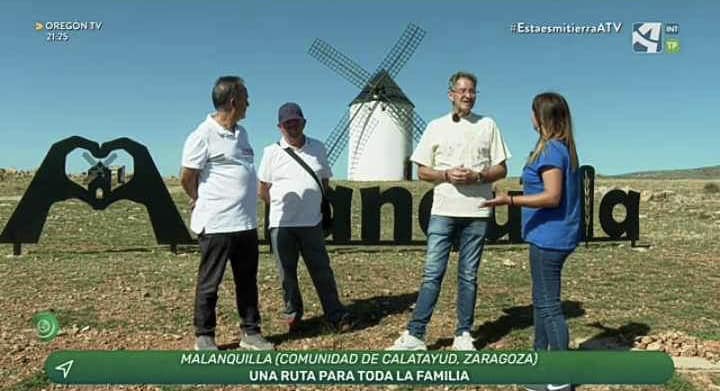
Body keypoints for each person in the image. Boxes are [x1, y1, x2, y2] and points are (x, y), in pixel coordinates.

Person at [388, 71, 512, 351]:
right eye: (462, 90)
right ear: (451, 95)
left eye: (472, 91)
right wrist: (445, 175)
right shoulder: (435, 126)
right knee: (433, 272)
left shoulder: (488, 124)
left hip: (477, 211)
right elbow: (421, 171)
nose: (468, 95)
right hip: (443, 210)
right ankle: (416, 334)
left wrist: (478, 177)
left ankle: (463, 334)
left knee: (468, 274)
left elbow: (502, 168)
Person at [484, 92, 580, 391]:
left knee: (549, 305)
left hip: (550, 237)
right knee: (541, 301)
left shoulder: (552, 151)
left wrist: (509, 200)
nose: (529, 117)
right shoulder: (560, 148)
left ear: (541, 117)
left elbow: (552, 197)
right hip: (549, 235)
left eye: (532, 111)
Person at [181, 76, 273, 351]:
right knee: (210, 282)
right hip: (217, 224)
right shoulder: (202, 135)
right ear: (233, 101)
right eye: (246, 96)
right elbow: (187, 177)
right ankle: (205, 336)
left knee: (247, 281)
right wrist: (199, 198)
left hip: (244, 223)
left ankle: (251, 333)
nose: (249, 103)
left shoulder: (242, 134)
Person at [258, 102, 352, 333]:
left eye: (295, 122)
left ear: (304, 122)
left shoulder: (318, 147)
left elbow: (324, 181)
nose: (292, 126)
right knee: (286, 274)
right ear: (280, 127)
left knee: (322, 271)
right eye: (287, 123)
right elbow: (263, 189)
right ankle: (293, 314)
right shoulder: (271, 152)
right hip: (282, 225)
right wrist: (280, 207)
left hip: (312, 222)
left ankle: (335, 314)